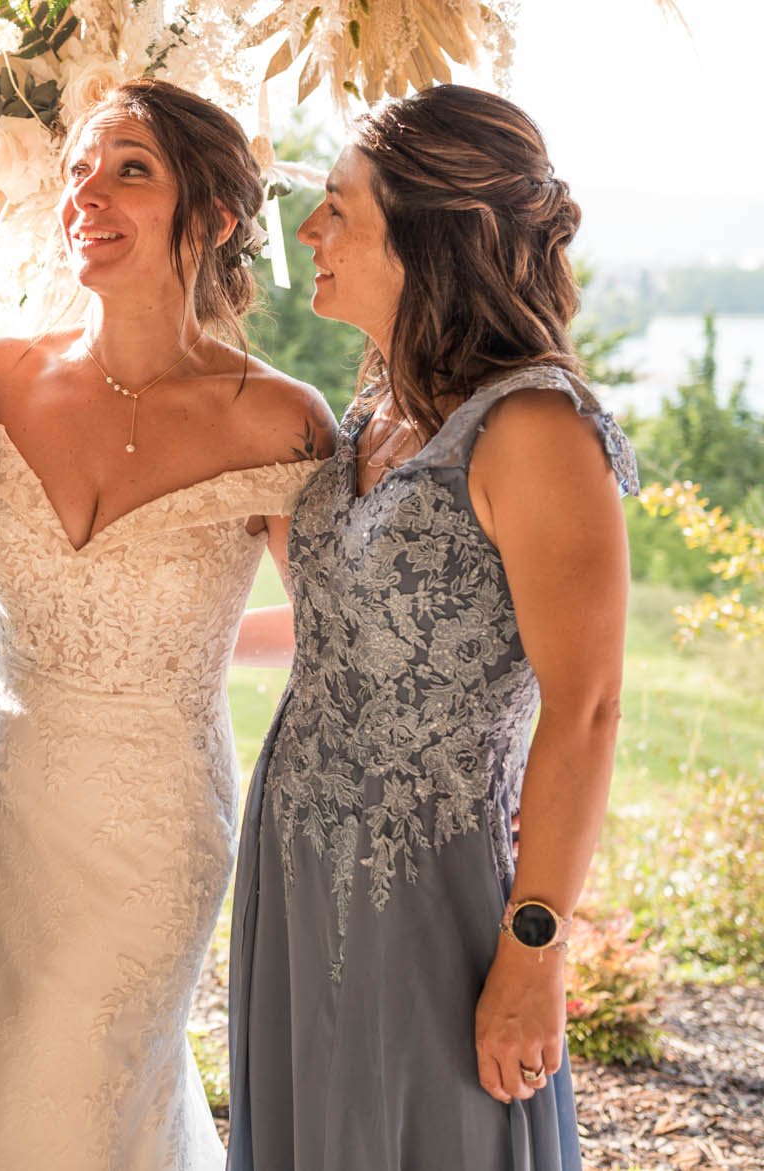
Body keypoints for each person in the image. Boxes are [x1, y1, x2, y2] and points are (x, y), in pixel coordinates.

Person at [226, 84, 637, 1171]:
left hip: (428, 882)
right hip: (295, 857)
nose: (306, 233)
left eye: (336, 208)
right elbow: (351, 625)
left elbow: (586, 706)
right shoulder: (373, 407)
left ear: (427, 236)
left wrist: (532, 951)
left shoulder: (533, 427)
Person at [0, 78, 335, 1170]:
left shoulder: (276, 416)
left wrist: (195, 649)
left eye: (130, 167)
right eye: (78, 165)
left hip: (153, 824)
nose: (87, 191)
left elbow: (341, 631)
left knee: (72, 1092)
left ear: (213, 216)